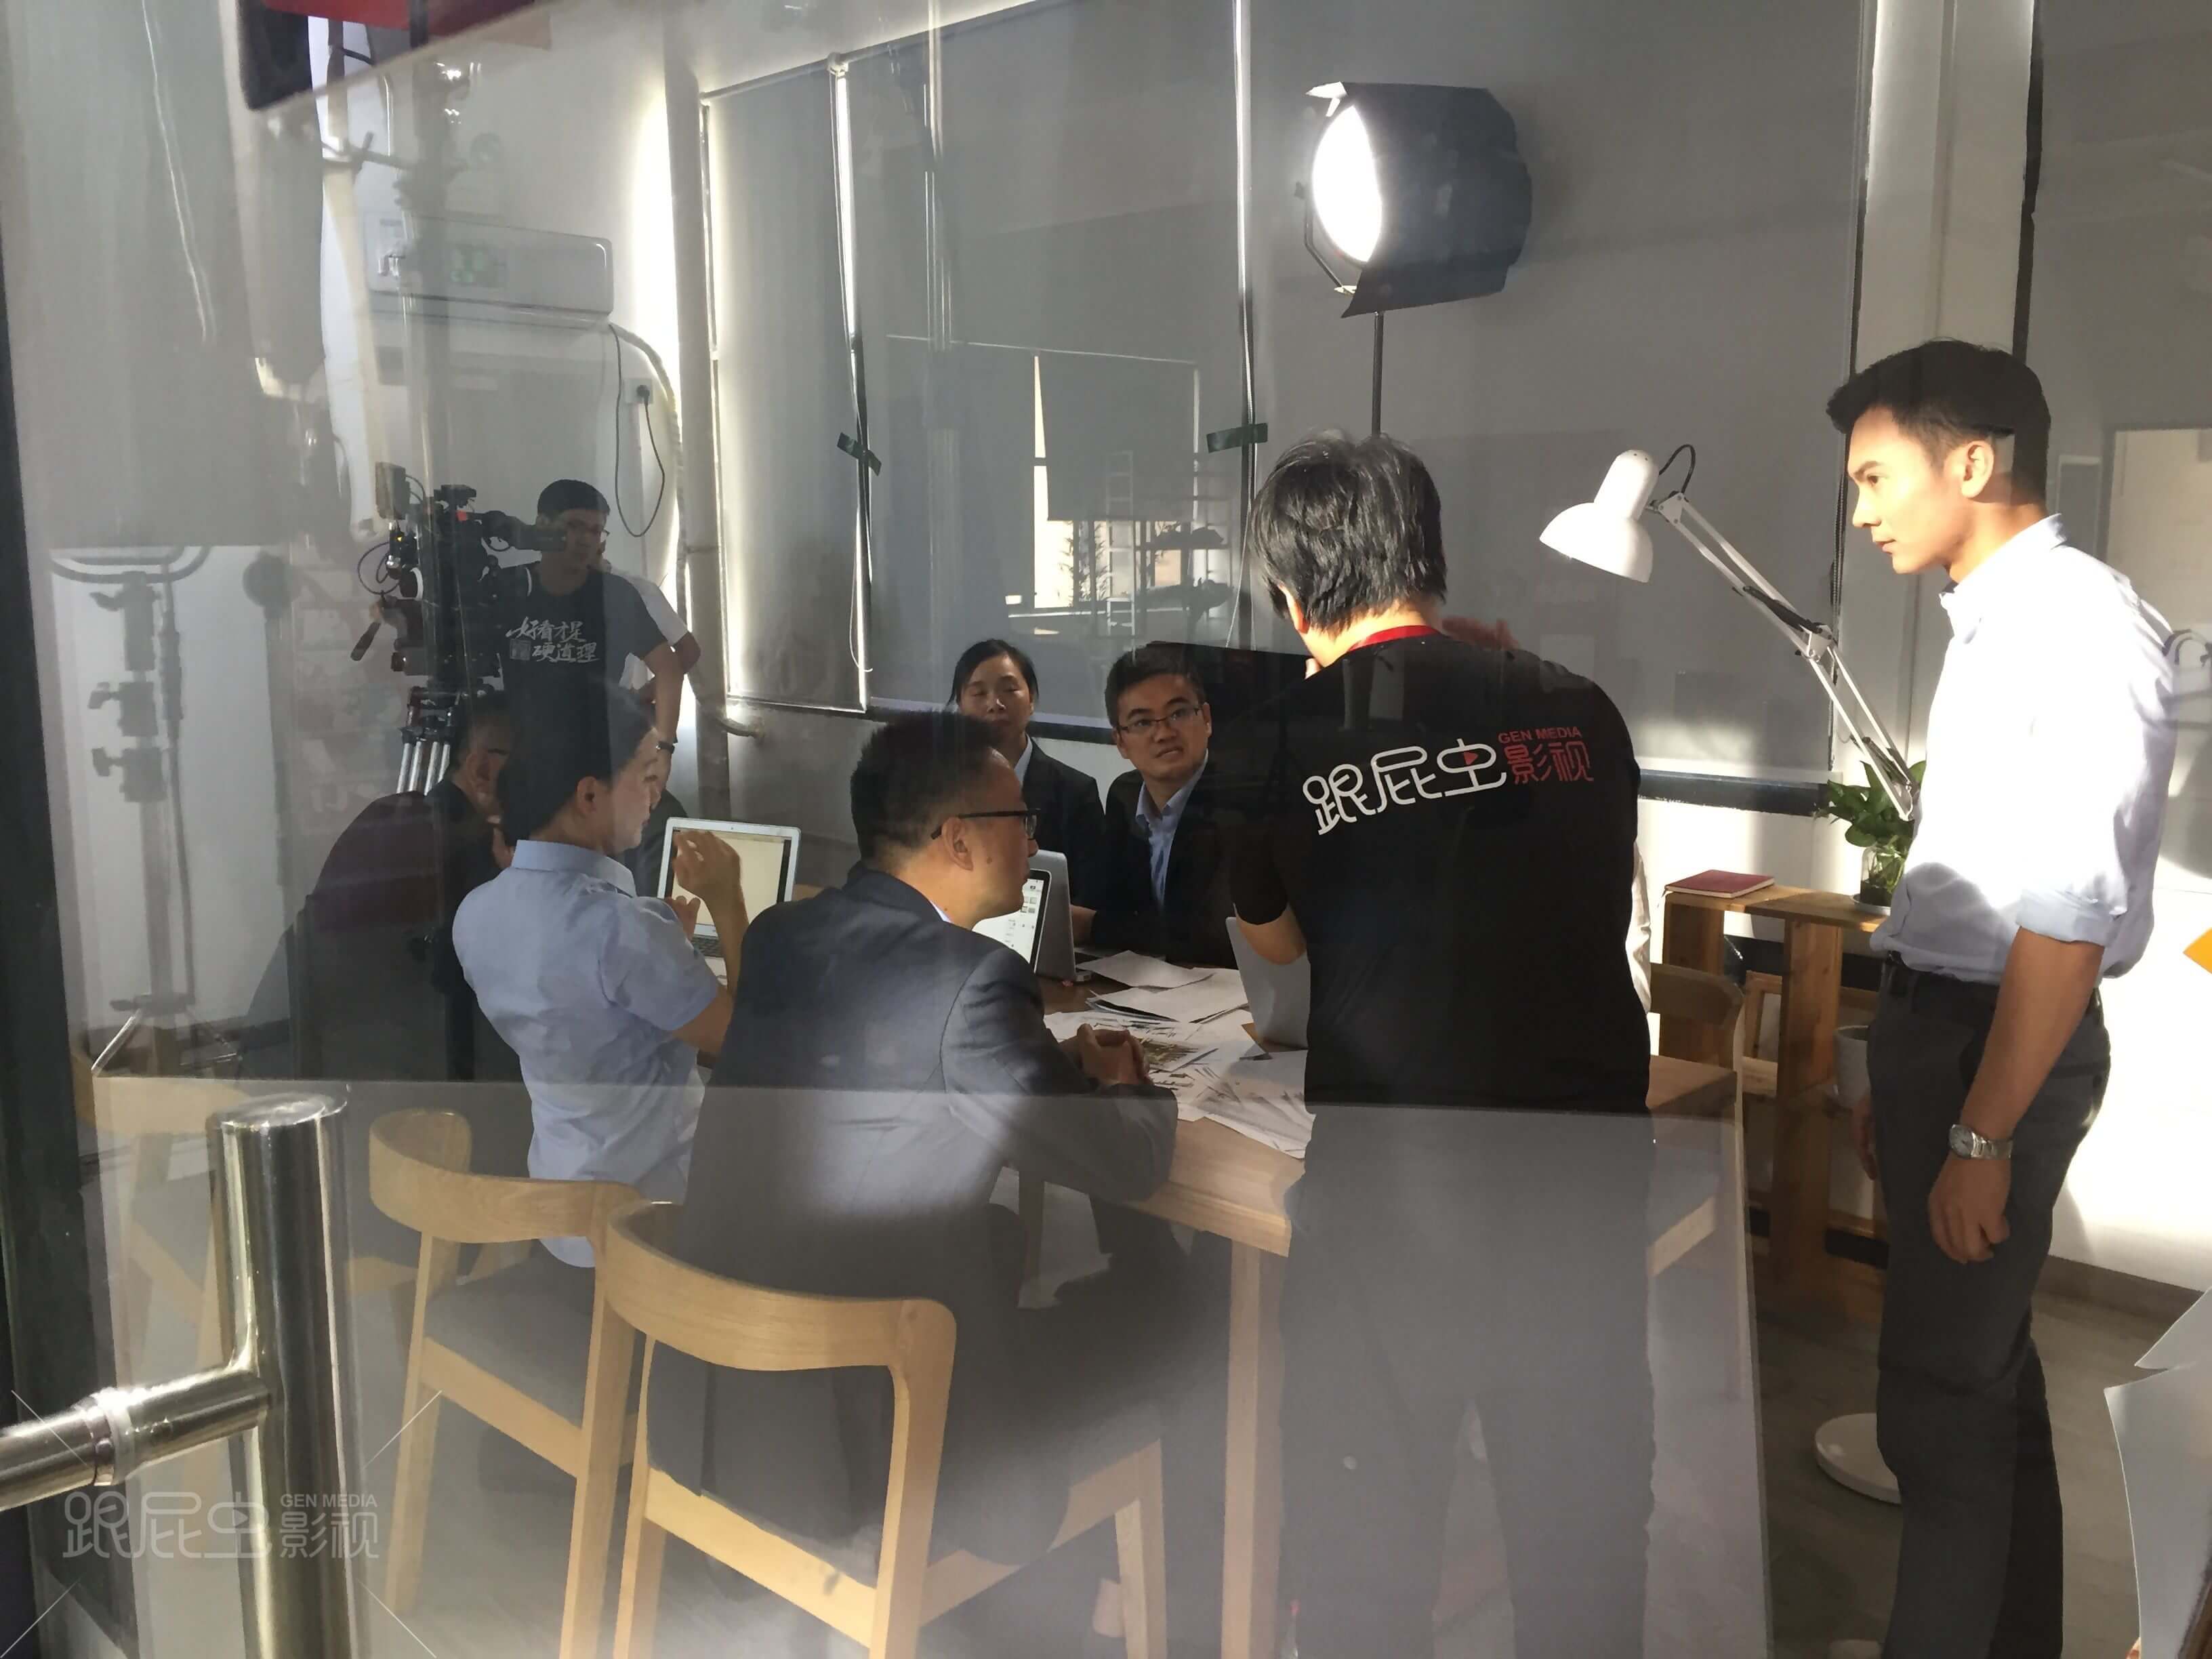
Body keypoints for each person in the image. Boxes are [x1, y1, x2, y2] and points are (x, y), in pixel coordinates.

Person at [1225, 432, 1655, 1656]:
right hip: (1578, 1184)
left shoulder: (1271, 744)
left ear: (1290, 594)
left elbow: (1280, 945)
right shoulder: (1579, 711)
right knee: (1579, 1528)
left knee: (1367, 1541)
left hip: (1394, 1197)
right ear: (1429, 555)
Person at [655, 711, 1179, 1605]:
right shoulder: (972, 977)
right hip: (865, 1427)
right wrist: (1128, 1084)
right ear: (959, 839)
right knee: (1168, 1321)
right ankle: (1119, 1599)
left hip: (724, 1399)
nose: (1035, 842)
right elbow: (1129, 1167)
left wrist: (1048, 1062)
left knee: (1018, 1252)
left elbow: (898, 1068)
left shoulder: (783, 934)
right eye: (1022, 821)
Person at [1823, 340, 2178, 1659]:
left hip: (1999, 1048)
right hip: (1950, 1038)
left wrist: (1978, 1132)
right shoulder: (1993, 621)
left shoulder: (2077, 631)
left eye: (1875, 478)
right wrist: (1906, 1081)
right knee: (1985, 1378)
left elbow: (2066, 923)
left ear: (1969, 462)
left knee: (1937, 1407)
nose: (1861, 512)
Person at [454, 687, 749, 1271]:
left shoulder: (476, 914)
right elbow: (746, 1045)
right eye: (646, 777)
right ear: (589, 795)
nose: (656, 795)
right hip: (653, 1224)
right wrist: (726, 900)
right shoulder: (621, 931)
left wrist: (665, 952)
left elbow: (586, 1018)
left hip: (559, 1209)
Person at [241, 691, 517, 1082]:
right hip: (345, 1084)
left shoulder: (394, 816)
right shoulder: (453, 847)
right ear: (483, 770)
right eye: (536, 765)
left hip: (281, 1059)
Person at [495, 479, 682, 749]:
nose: (585, 540)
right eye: (574, 526)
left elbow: (669, 668)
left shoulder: (616, 595)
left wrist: (663, 749)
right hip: (524, 747)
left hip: (601, 749)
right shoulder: (509, 587)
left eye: (596, 531)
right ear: (542, 524)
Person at [1084, 644, 1236, 970]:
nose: (1164, 733)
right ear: (1121, 742)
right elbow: (1112, 904)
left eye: (1178, 713)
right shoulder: (1124, 796)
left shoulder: (1238, 801)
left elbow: (1213, 937)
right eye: (1142, 723)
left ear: (1207, 719)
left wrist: (1091, 925)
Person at [950, 638, 1109, 910]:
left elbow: (1093, 900)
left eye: (1009, 689)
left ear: (1031, 699)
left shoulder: (1075, 793)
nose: (995, 704)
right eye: (978, 693)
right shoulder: (940, 789)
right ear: (960, 706)